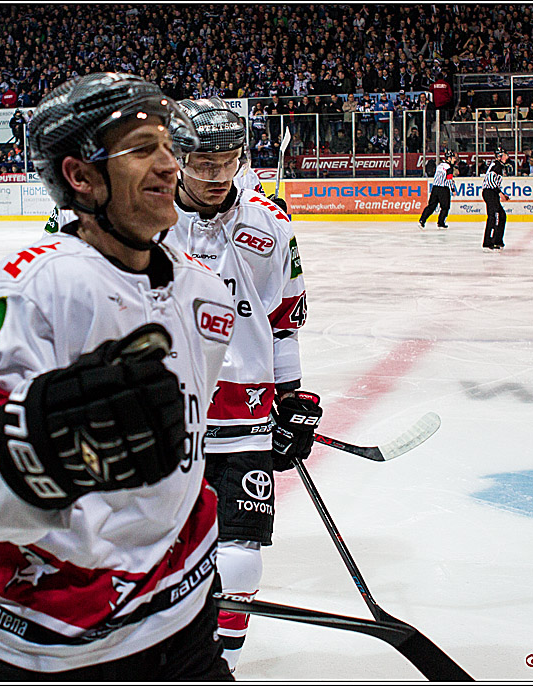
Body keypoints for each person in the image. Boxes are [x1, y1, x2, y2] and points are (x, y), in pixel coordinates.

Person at [0, 72, 236, 681]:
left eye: (170, 145)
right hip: (43, 640)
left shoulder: (204, 292)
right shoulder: (32, 284)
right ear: (81, 177)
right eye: (143, 149)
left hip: (182, 613)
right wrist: (42, 452)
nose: (172, 163)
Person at [163, 97, 321, 673]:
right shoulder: (144, 217)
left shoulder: (270, 224)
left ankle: (216, 660)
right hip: (162, 410)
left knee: (241, 546)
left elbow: (283, 319)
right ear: (178, 158)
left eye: (225, 161)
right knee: (161, 544)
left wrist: (293, 396)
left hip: (245, 409)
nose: (212, 176)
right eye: (201, 163)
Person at [419, 149, 458, 229]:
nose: (455, 160)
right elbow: (449, 179)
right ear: (449, 158)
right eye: (453, 158)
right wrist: (453, 190)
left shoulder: (440, 166)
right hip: (443, 189)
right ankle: (441, 222)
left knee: (431, 206)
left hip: (435, 188)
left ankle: (422, 220)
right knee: (445, 207)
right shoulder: (449, 168)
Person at [482, 148, 510, 251]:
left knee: (501, 215)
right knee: (495, 216)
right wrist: (500, 193)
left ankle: (497, 240)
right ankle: (490, 241)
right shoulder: (497, 165)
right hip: (490, 192)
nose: (507, 156)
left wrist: (501, 193)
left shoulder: (498, 165)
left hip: (491, 192)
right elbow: (490, 180)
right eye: (505, 154)